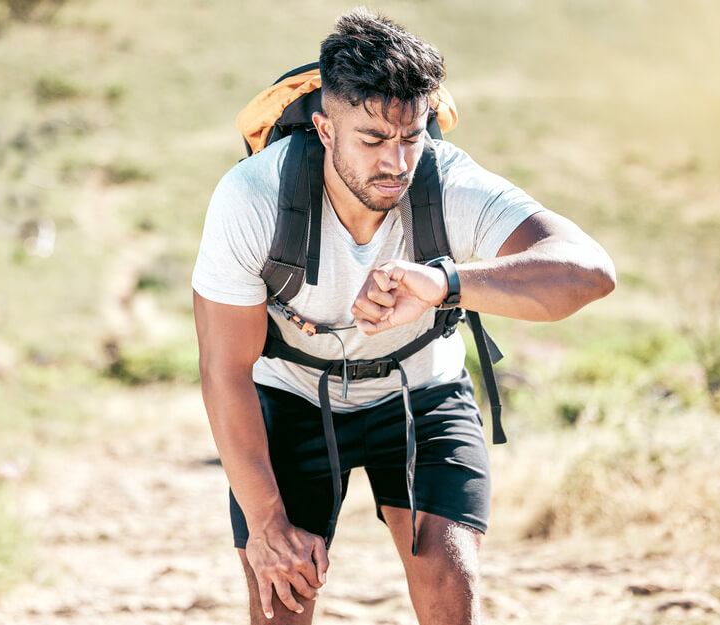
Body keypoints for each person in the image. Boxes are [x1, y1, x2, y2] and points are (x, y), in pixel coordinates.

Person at [192, 8, 615, 624]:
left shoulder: (449, 182)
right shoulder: (253, 197)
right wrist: (266, 525)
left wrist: (446, 283)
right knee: (281, 599)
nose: (396, 162)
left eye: (411, 137)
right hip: (291, 398)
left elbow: (589, 271)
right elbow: (224, 369)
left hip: (422, 391)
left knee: (451, 583)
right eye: (372, 140)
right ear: (325, 129)